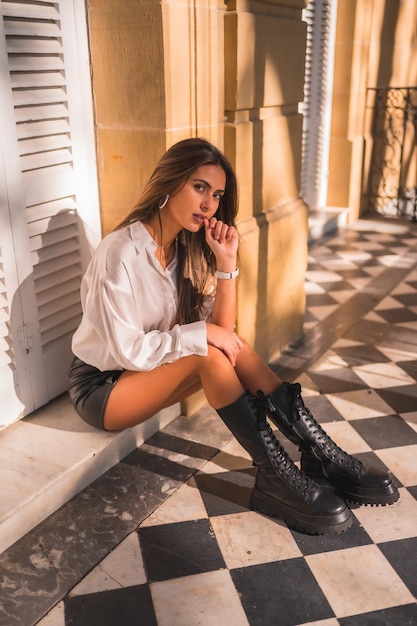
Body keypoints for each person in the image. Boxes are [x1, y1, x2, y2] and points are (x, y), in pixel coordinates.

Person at [68, 137, 399, 535]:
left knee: (221, 349)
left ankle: (320, 454)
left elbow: (226, 337)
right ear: (171, 182)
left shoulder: (184, 251)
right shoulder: (119, 253)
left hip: (146, 375)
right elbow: (130, 352)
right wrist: (203, 333)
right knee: (208, 351)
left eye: (217, 194)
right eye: (200, 187)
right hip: (104, 387)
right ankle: (275, 478)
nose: (209, 204)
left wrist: (227, 263)